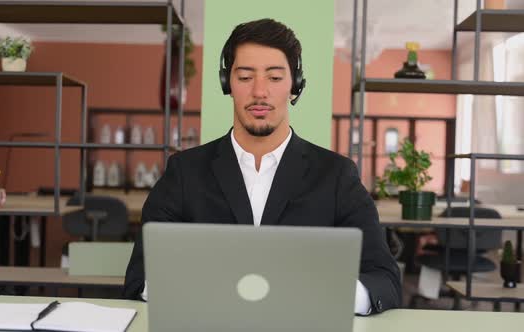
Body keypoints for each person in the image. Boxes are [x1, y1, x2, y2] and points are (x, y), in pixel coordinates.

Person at [123, 18, 401, 315]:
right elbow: (141, 278)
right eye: (245, 77)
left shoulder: (337, 176)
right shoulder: (183, 173)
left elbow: (384, 280)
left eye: (274, 77)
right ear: (226, 83)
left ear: (295, 86)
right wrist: (206, 288)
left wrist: (321, 292)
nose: (259, 91)